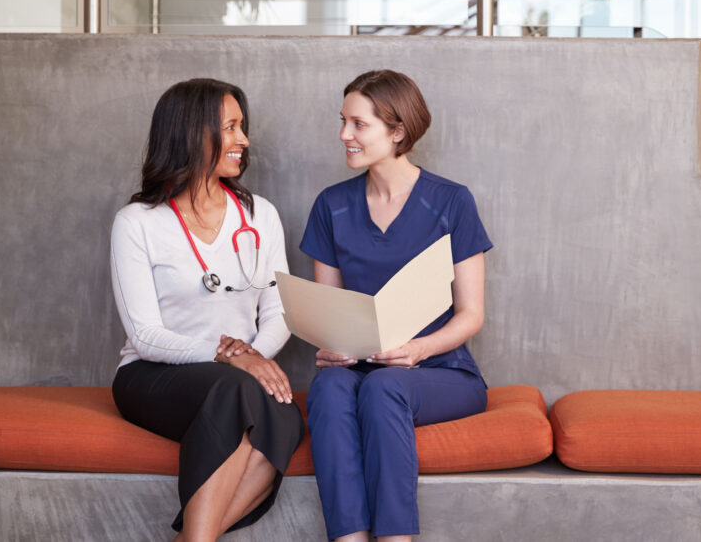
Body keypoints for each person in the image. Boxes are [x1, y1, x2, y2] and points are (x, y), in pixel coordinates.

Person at [109, 78, 304, 541]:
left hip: (238, 378)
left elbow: (281, 312)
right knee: (251, 398)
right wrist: (230, 357)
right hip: (153, 375)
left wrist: (253, 356)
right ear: (190, 133)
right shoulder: (137, 223)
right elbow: (144, 335)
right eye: (231, 127)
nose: (244, 140)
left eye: (242, 127)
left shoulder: (261, 216)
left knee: (282, 413)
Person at [301, 69, 492, 542]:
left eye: (359, 124)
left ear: (398, 131)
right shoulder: (332, 205)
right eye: (343, 121)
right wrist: (328, 347)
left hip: (441, 372)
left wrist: (418, 350)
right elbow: (331, 311)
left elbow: (471, 314)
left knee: (385, 387)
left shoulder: (451, 201)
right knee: (327, 387)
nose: (344, 135)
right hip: (360, 369)